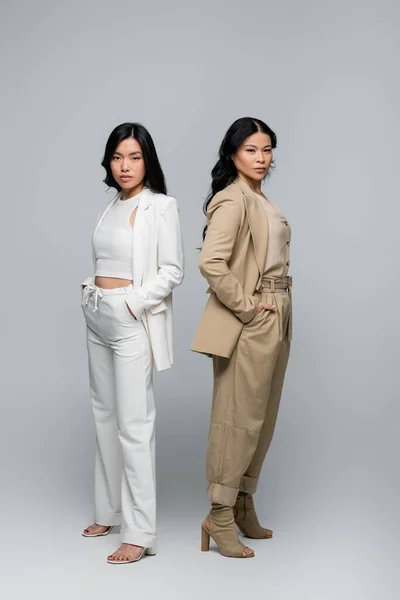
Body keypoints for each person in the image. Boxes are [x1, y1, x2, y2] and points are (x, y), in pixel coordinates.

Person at [80, 122, 184, 564]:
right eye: (118, 157)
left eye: (134, 157)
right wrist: (91, 290)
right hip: (96, 313)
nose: (125, 166)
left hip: (128, 319)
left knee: (134, 426)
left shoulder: (160, 206)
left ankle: (139, 532)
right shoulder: (110, 206)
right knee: (103, 415)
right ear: (108, 161)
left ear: (148, 161)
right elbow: (106, 258)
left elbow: (172, 270)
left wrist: (131, 304)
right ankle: (109, 510)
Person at [191, 117, 292, 558]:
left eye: (267, 149)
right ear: (232, 153)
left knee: (263, 419)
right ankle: (220, 514)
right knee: (238, 419)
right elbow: (212, 263)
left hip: (280, 309)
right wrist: (249, 308)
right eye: (251, 150)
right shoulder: (232, 199)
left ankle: (245, 503)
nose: (261, 158)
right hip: (253, 316)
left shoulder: (258, 196)